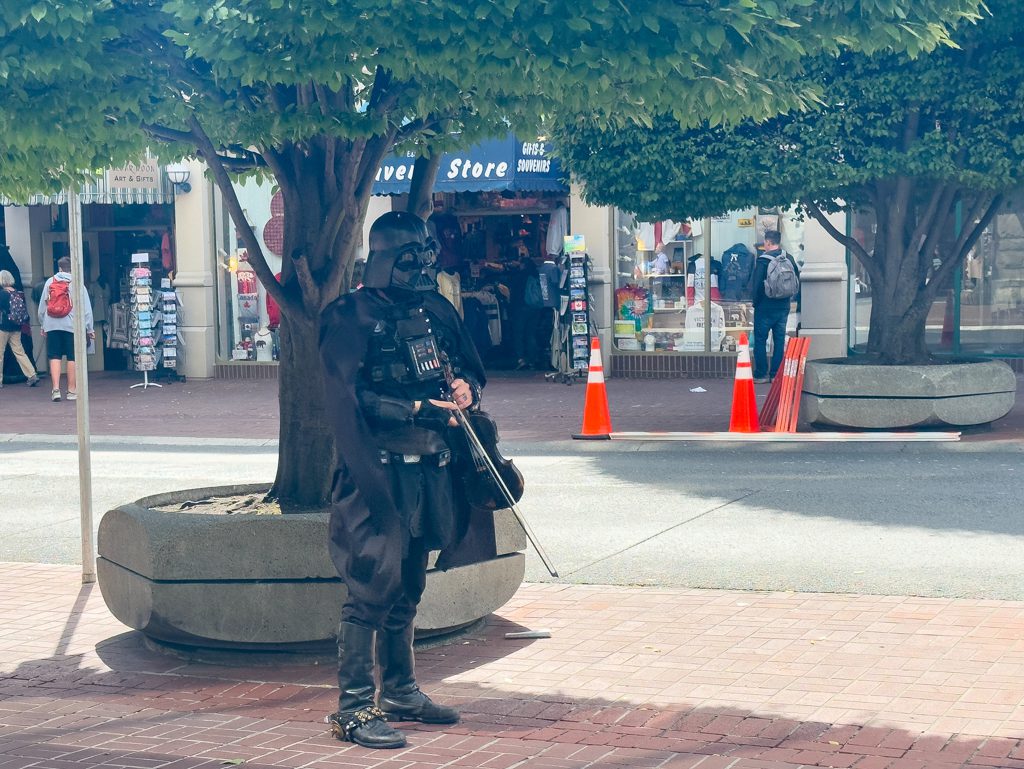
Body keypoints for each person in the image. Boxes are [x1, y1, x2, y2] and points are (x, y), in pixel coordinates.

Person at [319, 211, 489, 750]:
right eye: (410, 258)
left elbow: (466, 366)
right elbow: (346, 399)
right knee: (371, 585)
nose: (420, 268)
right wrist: (415, 405)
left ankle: (399, 689)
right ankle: (352, 708)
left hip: (431, 469)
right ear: (387, 258)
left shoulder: (435, 310)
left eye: (426, 256)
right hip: (378, 472)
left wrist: (464, 389)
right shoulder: (348, 316)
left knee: (409, 583)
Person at [38, 257, 94, 402]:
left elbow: (43, 307)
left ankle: (55, 389)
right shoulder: (77, 284)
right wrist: (89, 328)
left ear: (60, 268)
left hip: (52, 324)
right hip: (72, 326)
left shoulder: (50, 282)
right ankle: (71, 390)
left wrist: (43, 324)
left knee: (54, 356)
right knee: (72, 357)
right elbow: (86, 309)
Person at [751, 229, 799, 383]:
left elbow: (757, 285)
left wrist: (755, 303)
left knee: (760, 339)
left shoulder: (763, 261)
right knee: (779, 340)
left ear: (768, 242)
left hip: (765, 308)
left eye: (765, 242)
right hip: (783, 307)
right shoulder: (789, 258)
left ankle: (761, 374)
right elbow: (795, 280)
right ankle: (775, 375)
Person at [0, 270, 39, 388]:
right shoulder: (18, 293)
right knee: (20, 352)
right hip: (16, 326)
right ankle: (32, 374)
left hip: (3, 327)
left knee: (0, 353)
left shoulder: (2, 294)